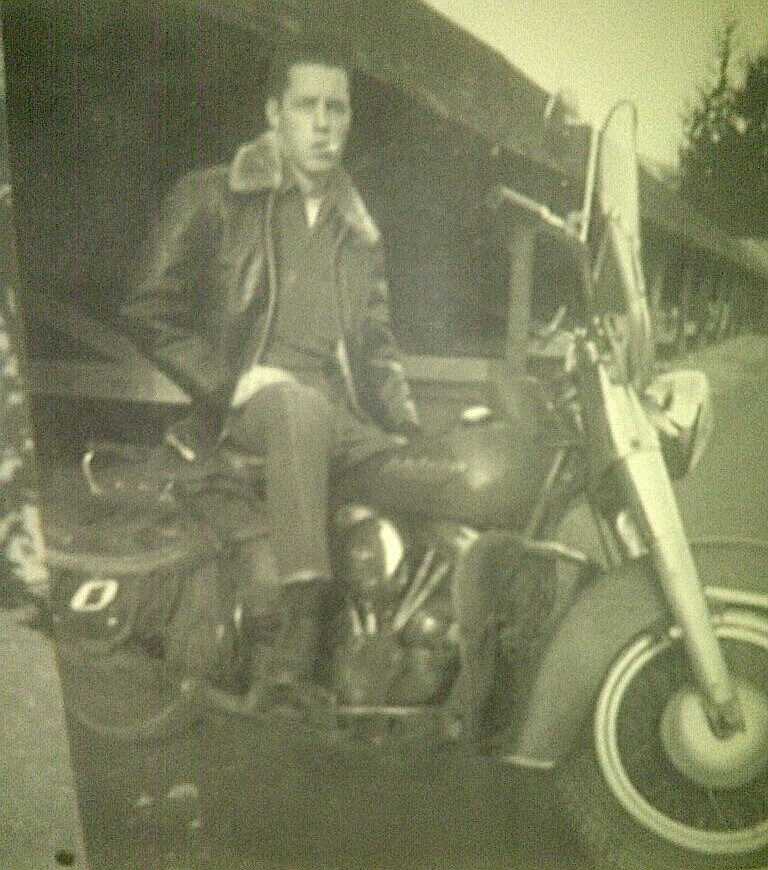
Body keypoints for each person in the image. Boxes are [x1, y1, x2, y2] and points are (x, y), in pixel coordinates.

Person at [121, 36, 421, 696]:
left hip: (335, 417)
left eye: (336, 109)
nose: (323, 124)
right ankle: (298, 633)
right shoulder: (213, 197)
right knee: (296, 406)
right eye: (306, 105)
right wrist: (232, 382)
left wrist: (413, 426)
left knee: (452, 473)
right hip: (248, 412)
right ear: (273, 113)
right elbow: (146, 309)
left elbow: (376, 349)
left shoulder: (359, 232)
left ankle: (413, 647)